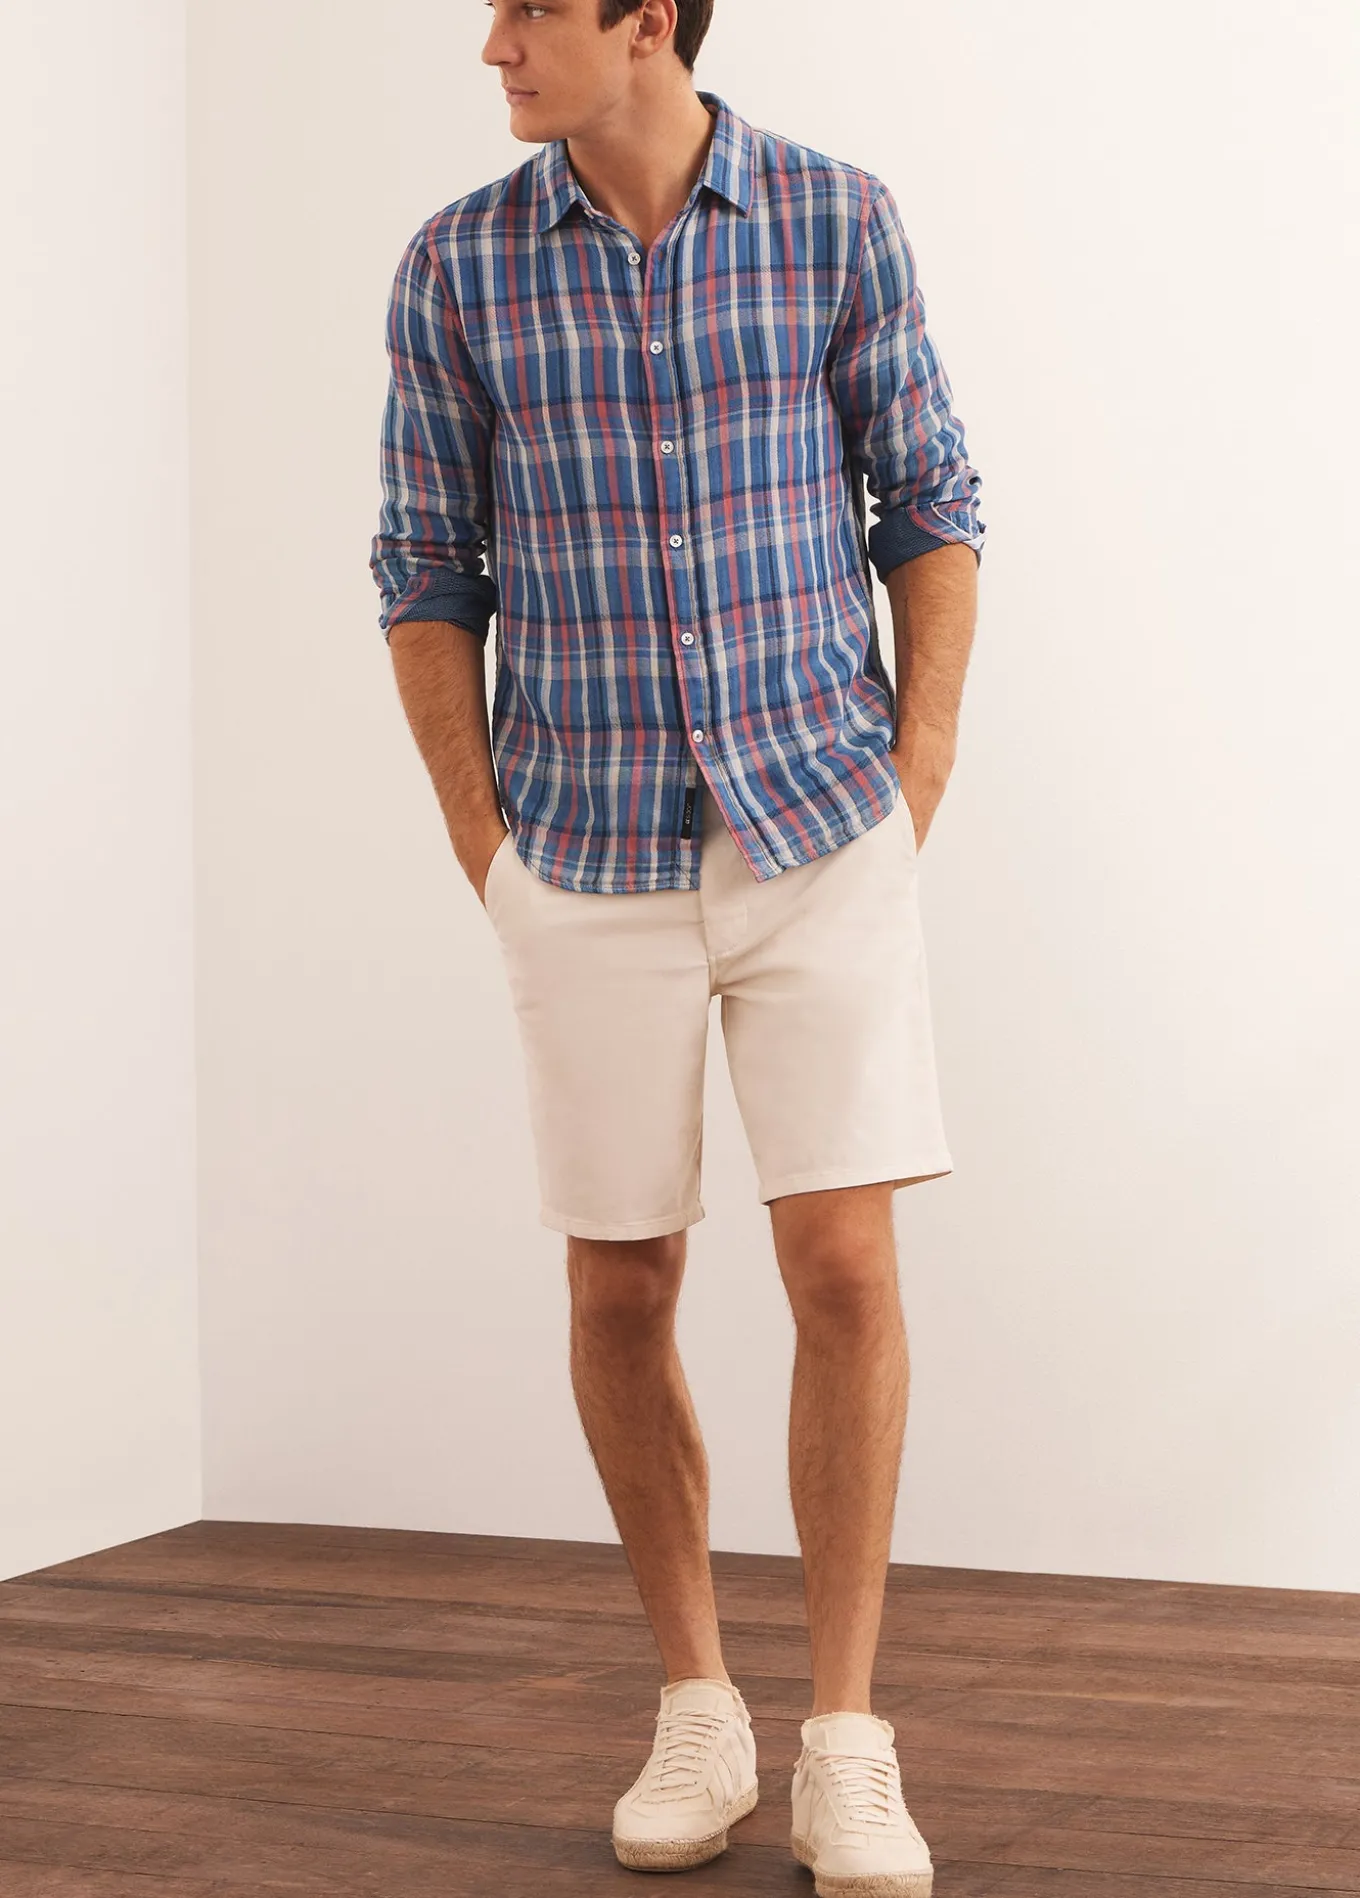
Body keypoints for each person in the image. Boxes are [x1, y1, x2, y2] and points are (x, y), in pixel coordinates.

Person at [370, 4, 983, 1893]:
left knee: (843, 1261)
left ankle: (847, 1739)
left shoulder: (834, 217)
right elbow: (424, 568)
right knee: (623, 1281)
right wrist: (486, 849)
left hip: (817, 816)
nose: (492, 45)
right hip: (583, 839)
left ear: (649, 20)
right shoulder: (458, 267)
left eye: (533, 9)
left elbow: (931, 502)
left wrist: (915, 772)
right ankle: (699, 1703)